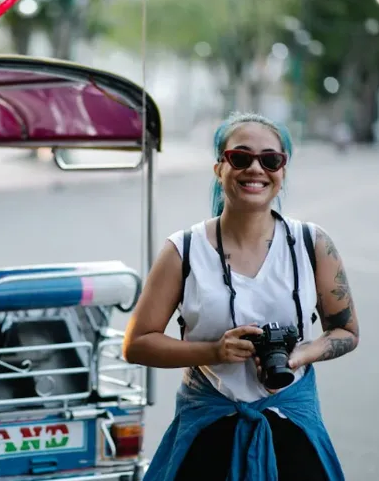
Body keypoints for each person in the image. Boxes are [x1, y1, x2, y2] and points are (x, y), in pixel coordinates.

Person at [123, 112, 359, 481]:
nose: (256, 169)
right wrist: (214, 352)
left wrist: (300, 356)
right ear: (220, 168)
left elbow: (346, 332)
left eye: (270, 159)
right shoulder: (183, 250)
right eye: (241, 157)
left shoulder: (313, 244)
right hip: (208, 433)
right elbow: (136, 344)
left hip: (293, 430)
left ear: (282, 171)